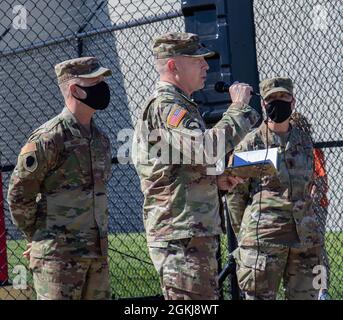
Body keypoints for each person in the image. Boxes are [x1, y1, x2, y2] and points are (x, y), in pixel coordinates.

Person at [133, 32, 260, 300]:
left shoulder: (180, 105)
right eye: (197, 60)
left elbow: (177, 168)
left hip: (189, 230)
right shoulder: (167, 107)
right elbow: (207, 148)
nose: (206, 66)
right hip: (181, 234)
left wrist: (215, 181)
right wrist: (238, 109)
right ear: (173, 66)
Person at [7, 57, 113, 300]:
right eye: (95, 81)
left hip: (97, 257)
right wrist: (38, 236)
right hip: (58, 259)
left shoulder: (100, 139)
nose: (102, 86)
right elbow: (19, 194)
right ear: (76, 90)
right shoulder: (49, 138)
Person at [226, 77, 322, 300]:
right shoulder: (251, 143)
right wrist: (247, 233)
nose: (278, 102)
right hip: (265, 240)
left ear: (293, 101)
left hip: (305, 240)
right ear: (263, 104)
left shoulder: (304, 141)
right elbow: (235, 193)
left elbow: (307, 184)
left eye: (283, 97)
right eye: (272, 99)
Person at [290, 112, 330, 300]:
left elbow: (321, 180)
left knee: (317, 248)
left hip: (315, 205)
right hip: (296, 205)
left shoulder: (312, 150)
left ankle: (321, 290)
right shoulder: (288, 150)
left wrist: (314, 193)